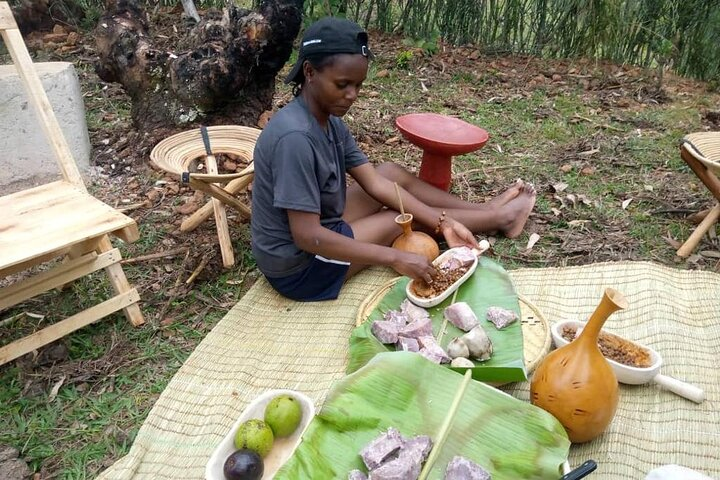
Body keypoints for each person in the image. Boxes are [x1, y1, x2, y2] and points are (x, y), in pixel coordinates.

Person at [250, 17, 535, 301]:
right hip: (300, 267)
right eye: (343, 84)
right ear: (309, 72)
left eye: (358, 85)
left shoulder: (327, 118)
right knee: (395, 220)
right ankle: (499, 218)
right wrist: (394, 256)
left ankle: (483, 211)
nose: (352, 95)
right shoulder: (295, 139)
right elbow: (307, 236)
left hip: (321, 225)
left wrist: (442, 222)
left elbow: (377, 183)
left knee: (389, 173)